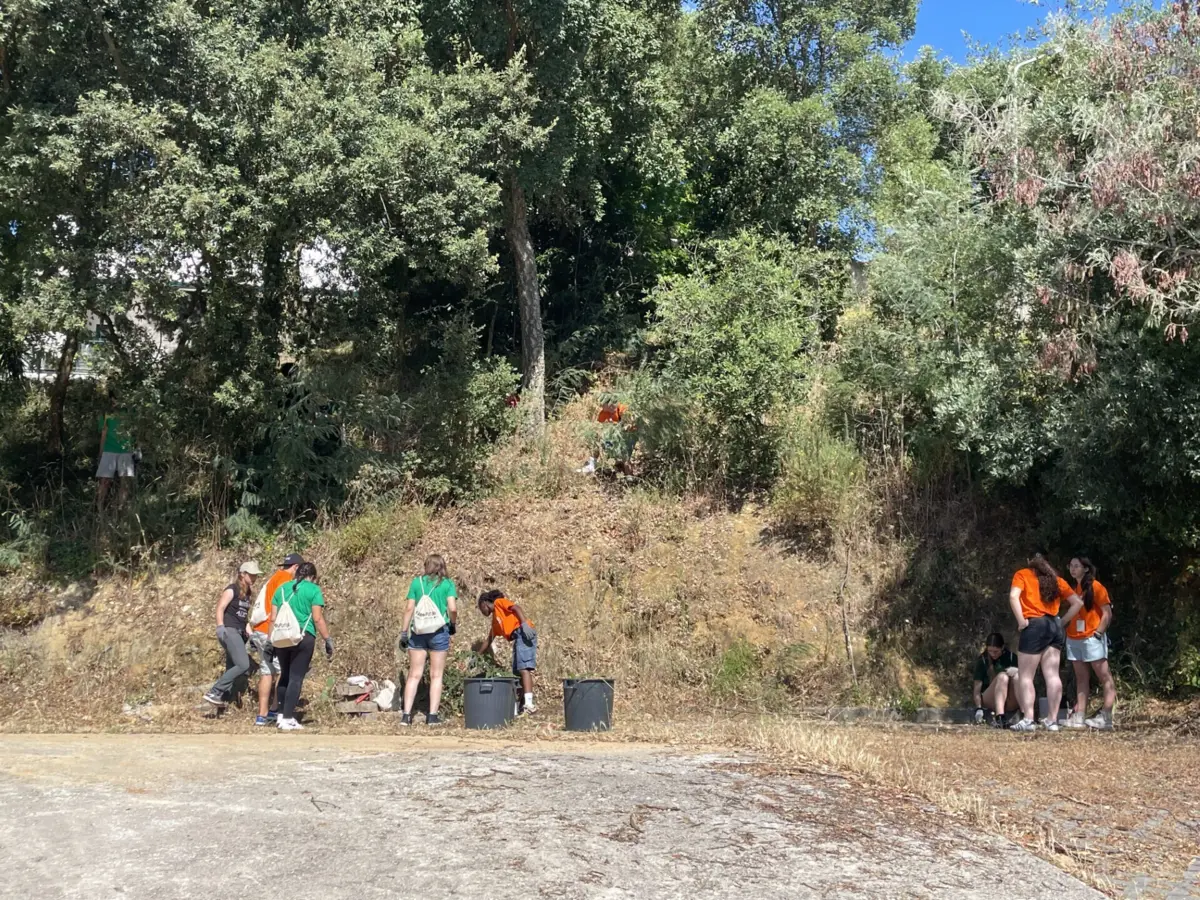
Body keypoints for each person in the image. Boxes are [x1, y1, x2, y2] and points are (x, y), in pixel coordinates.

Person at [1008, 553, 1083, 733]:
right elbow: (1077, 603)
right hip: (1054, 625)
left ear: (1030, 562)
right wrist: (1062, 621)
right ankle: (1052, 720)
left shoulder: (1023, 574)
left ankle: (1028, 719)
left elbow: (1013, 597)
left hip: (1034, 624)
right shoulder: (1057, 580)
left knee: (1026, 676)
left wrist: (1021, 622)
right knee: (1052, 674)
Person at [268, 561, 333, 731]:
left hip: (281, 638)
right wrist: (327, 639)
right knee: (296, 677)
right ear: (312, 576)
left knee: (284, 675)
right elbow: (317, 618)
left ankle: (281, 715)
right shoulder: (313, 590)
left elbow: (273, 618)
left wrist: (270, 641)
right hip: (303, 638)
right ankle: (288, 718)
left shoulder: (281, 589)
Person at [398, 554, 458, 727]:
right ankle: (432, 716)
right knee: (436, 675)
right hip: (439, 631)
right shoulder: (447, 584)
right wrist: (452, 624)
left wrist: (404, 632)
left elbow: (409, 607)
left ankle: (406, 715)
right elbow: (452, 608)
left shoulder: (417, 583)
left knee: (414, 674)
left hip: (418, 632)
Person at [247, 553, 304, 726]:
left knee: (266, 672)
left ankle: (262, 715)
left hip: (259, 630)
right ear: (295, 567)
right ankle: (276, 710)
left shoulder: (274, 578)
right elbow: (281, 608)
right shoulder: (286, 581)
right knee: (282, 671)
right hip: (271, 632)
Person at [1065, 557, 1116, 731]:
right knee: (1081, 678)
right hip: (1074, 637)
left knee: (1104, 676)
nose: (1073, 569)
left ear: (1086, 569)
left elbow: (1106, 612)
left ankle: (1106, 716)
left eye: (1076, 566)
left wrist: (1098, 633)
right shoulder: (1074, 588)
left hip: (1091, 637)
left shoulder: (1096, 586)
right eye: (1071, 566)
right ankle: (1080, 715)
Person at [203, 561, 262, 708]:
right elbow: (220, 608)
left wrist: (252, 635)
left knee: (232, 666)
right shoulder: (232, 589)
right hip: (229, 630)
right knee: (243, 665)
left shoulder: (248, 593)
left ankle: (222, 698)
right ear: (242, 574)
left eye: (255, 575)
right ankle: (214, 691)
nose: (254, 577)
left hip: (240, 632)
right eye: (251, 574)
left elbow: (244, 619)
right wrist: (220, 626)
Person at [475, 589, 538, 715]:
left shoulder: (499, 603)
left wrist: (524, 623)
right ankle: (519, 705)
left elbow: (515, 608)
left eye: (480, 608)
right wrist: (476, 656)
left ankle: (529, 704)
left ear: (485, 603)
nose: (481, 612)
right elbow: (489, 640)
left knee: (523, 668)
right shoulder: (495, 621)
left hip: (523, 632)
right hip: (517, 637)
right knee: (516, 672)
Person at [96, 395, 135, 510]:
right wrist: (101, 453)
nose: (114, 401)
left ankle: (120, 508)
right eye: (112, 398)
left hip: (126, 451)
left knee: (125, 483)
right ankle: (99, 508)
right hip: (109, 450)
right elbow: (103, 434)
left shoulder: (131, 412)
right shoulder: (107, 414)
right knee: (104, 482)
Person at [971, 632, 1019, 727]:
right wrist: (979, 708)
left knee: (1018, 676)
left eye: (996, 651)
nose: (993, 654)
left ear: (1002, 647)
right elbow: (977, 688)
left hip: (1010, 698)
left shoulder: (1012, 657)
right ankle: (1000, 717)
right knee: (1002, 677)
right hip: (990, 698)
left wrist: (1018, 671)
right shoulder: (983, 661)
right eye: (990, 651)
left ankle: (1027, 714)